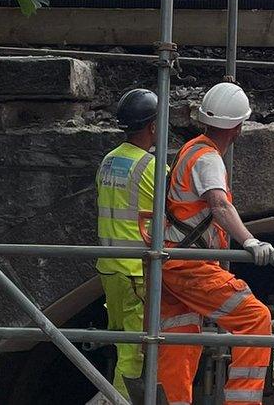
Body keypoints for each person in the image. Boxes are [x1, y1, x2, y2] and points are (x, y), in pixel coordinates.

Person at [157, 81, 274, 405]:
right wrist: (250, 240)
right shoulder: (208, 158)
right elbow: (219, 205)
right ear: (237, 127)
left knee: (177, 342)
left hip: (172, 262)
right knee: (256, 319)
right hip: (190, 266)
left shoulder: (191, 149)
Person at [95, 88, 160, 399]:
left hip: (109, 269)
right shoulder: (152, 168)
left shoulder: (108, 161)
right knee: (133, 354)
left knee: (121, 343)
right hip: (136, 272)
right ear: (152, 127)